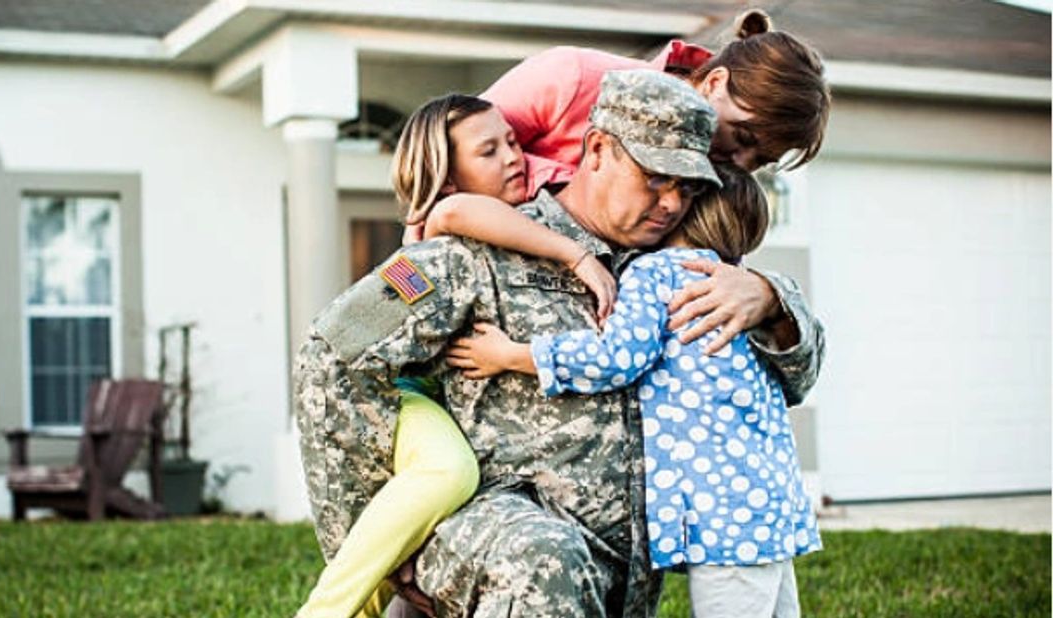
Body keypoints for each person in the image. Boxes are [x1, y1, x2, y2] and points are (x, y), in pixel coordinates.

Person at [295, 69, 818, 617]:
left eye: (686, 187)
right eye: (654, 178)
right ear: (597, 149)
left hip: (625, 568)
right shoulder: (481, 245)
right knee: (546, 562)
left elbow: (799, 376)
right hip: (513, 536)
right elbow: (334, 354)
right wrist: (370, 539)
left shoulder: (678, 261)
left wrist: (770, 299)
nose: (669, 202)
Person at [445, 163, 822, 618]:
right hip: (769, 501)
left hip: (723, 516)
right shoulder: (738, 289)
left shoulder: (658, 273)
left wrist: (511, 355)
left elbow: (615, 358)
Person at [297, 94, 617, 618]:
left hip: (436, 414)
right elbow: (457, 209)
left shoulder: (498, 227)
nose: (513, 157)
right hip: (406, 400)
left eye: (512, 142)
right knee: (451, 473)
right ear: (447, 176)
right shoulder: (444, 222)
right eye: (489, 151)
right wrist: (575, 254)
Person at [481, 9, 830, 370]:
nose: (740, 163)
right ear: (714, 82)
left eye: (761, 160)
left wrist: (770, 298)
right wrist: (571, 247)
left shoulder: (718, 191)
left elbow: (782, 370)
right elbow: (438, 170)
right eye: (741, 136)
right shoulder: (571, 80)